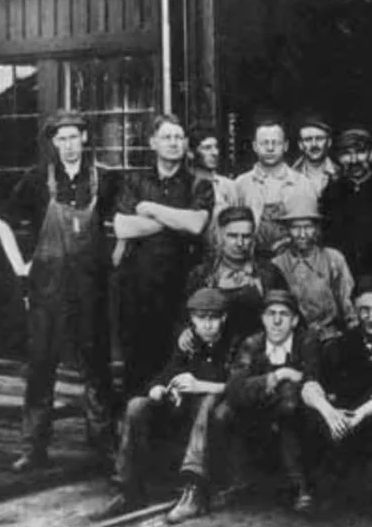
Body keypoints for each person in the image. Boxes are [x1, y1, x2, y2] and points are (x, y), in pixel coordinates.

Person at [0, 110, 117, 472]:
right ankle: (34, 447)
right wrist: (20, 265)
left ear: (84, 138)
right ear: (53, 142)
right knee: (41, 365)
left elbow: (126, 222)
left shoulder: (105, 180)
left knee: (96, 365)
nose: (67, 145)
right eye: (60, 138)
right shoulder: (36, 180)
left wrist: (114, 259)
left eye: (73, 136)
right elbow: (3, 220)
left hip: (90, 288)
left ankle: (104, 445)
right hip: (47, 288)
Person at [96, 288, 235, 523]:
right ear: (192, 319)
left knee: (209, 402)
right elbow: (168, 373)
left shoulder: (234, 344)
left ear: (224, 318)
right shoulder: (189, 343)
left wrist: (199, 385)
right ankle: (128, 489)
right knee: (137, 406)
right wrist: (159, 389)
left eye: (214, 318)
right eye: (202, 318)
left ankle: (195, 489)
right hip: (183, 411)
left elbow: (240, 386)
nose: (208, 325)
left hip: (214, 414)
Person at [300, 277, 372, 526]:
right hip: (353, 419)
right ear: (355, 310)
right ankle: (326, 490)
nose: (371, 316)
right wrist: (331, 412)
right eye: (364, 310)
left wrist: (363, 412)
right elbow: (312, 385)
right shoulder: (344, 343)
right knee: (316, 420)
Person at [114, 114, 213, 401]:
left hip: (182, 286)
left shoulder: (199, 184)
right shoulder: (134, 181)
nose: (173, 143)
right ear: (152, 142)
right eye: (167, 137)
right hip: (139, 286)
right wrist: (175, 219)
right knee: (137, 363)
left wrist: (150, 208)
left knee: (178, 359)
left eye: (178, 137)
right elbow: (123, 226)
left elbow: (196, 225)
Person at [225, 289, 323, 513]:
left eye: (284, 314)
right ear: (262, 318)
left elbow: (311, 378)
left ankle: (301, 486)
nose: (277, 321)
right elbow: (235, 388)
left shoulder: (307, 341)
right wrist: (277, 375)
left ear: (295, 320)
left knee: (289, 403)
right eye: (271, 314)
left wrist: (289, 382)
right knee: (225, 413)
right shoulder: (252, 344)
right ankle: (241, 480)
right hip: (258, 412)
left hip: (296, 414)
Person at [182, 206, 287, 345]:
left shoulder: (269, 273)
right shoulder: (202, 274)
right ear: (220, 235)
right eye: (232, 236)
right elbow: (183, 317)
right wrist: (184, 332)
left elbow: (287, 314)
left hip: (258, 350)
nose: (240, 243)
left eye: (246, 236)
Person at [321, 126, 372, 278]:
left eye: (360, 152)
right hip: (343, 276)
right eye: (346, 154)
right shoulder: (331, 193)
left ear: (371, 155)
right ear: (339, 158)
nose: (354, 160)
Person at [232, 114, 319, 260]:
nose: (270, 148)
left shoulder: (303, 184)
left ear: (285, 146)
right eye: (264, 143)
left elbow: (313, 232)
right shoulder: (241, 184)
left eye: (275, 143)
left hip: (295, 262)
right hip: (250, 261)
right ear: (254, 146)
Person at [269, 197, 356, 343]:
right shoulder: (277, 264)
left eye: (308, 227)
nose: (302, 234)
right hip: (292, 338)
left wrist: (353, 332)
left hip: (331, 336)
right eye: (295, 227)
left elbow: (347, 301)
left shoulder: (333, 259)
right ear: (287, 229)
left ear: (316, 228)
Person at [190, 122, 236, 251]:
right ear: (191, 152)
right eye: (207, 148)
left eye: (216, 147)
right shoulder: (186, 184)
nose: (214, 152)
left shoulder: (228, 186)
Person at [291, 112, 339, 194]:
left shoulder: (341, 173)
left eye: (319, 138)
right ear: (300, 145)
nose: (314, 144)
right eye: (308, 139)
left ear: (329, 142)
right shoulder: (290, 176)